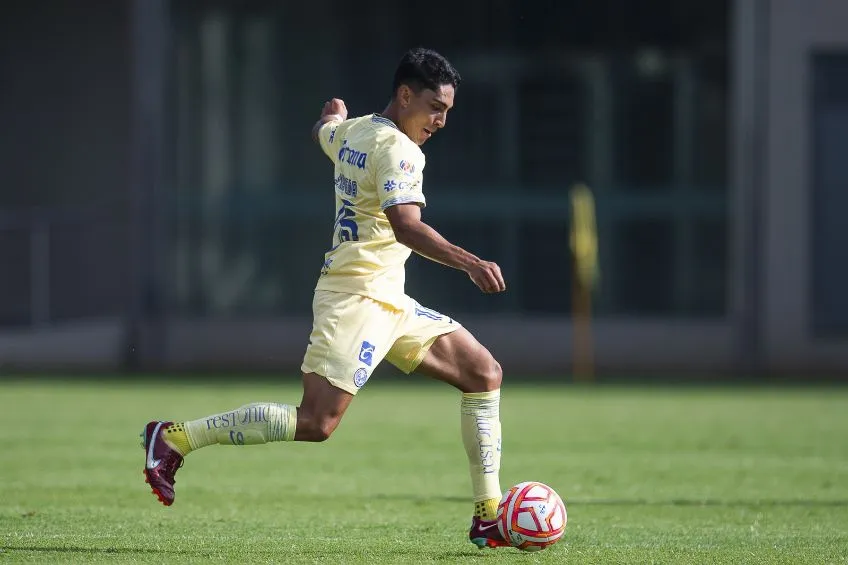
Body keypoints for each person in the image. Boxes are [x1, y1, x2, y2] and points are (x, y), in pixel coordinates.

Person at [141, 47, 509, 549]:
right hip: (354, 300)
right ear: (405, 96)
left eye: (447, 110)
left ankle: (489, 513)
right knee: (316, 423)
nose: (441, 120)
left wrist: (330, 115)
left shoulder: (353, 131)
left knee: (483, 374)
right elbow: (406, 227)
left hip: (388, 300)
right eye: (435, 107)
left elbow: (324, 133)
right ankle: (175, 437)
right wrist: (469, 262)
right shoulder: (400, 151)